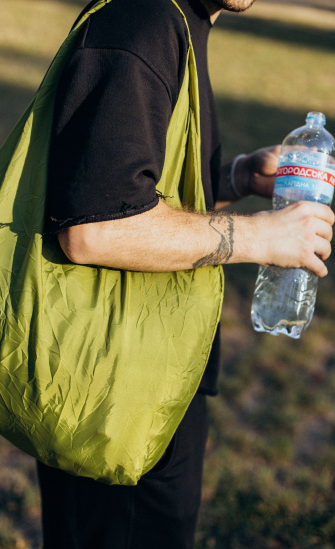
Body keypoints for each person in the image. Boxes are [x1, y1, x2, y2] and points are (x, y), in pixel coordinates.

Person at [37, 0, 334, 547]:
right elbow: (93, 229)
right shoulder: (142, 21)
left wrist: (238, 176)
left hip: (152, 375)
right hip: (114, 392)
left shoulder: (180, 22)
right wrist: (261, 237)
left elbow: (135, 186)